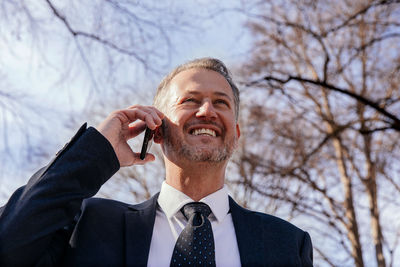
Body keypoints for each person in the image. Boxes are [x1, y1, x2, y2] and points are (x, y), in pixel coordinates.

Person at [0, 58, 313, 266]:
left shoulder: (287, 244)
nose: (207, 110)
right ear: (158, 129)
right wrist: (96, 151)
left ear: (236, 133)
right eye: (190, 100)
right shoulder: (88, 224)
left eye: (221, 102)